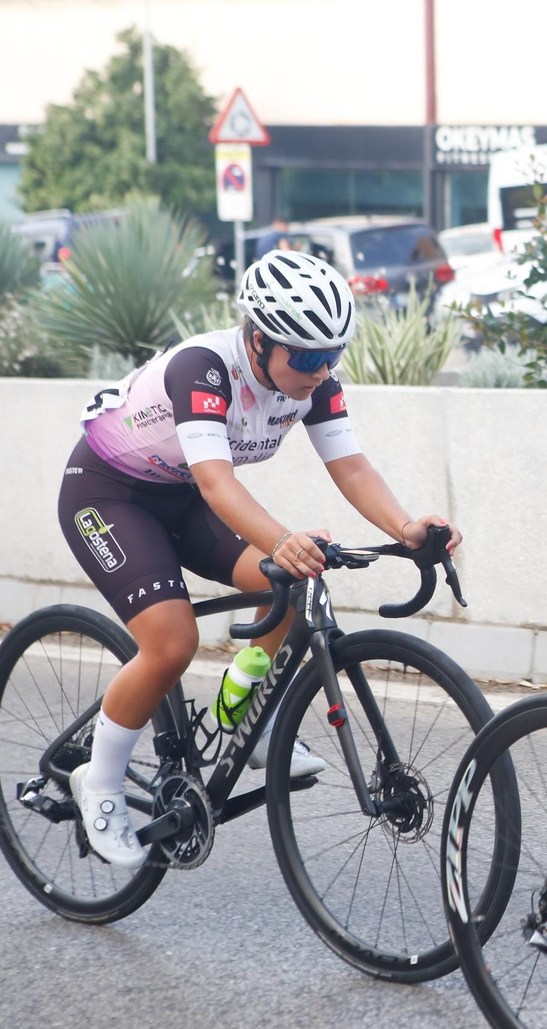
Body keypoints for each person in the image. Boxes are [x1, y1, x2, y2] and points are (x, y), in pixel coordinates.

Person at [61, 250, 463, 871]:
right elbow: (218, 483)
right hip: (110, 494)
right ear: (257, 340)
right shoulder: (203, 368)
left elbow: (351, 466)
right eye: (305, 358)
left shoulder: (315, 382)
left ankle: (243, 708)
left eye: (333, 355)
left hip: (184, 497)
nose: (321, 370)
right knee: (171, 643)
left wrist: (407, 528)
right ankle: (100, 782)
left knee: (293, 585)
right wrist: (280, 539)